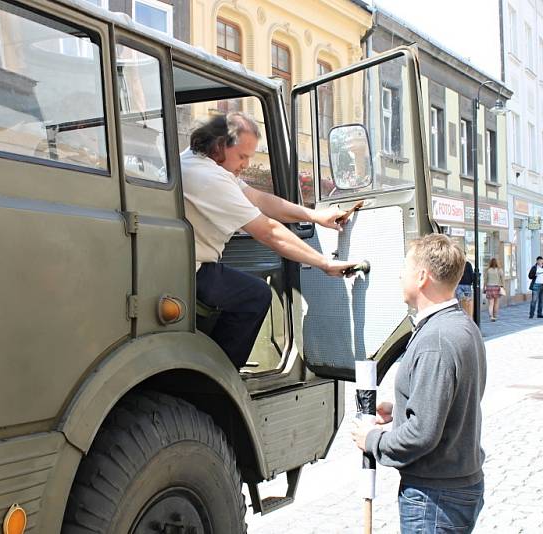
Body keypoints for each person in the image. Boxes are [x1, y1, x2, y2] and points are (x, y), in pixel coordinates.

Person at [181, 112, 357, 369]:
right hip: (193, 274)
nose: (246, 164)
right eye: (242, 156)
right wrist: (323, 263)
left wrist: (315, 216)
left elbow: (261, 200)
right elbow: (269, 232)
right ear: (220, 145)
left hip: (184, 267)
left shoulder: (198, 161)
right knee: (256, 294)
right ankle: (220, 373)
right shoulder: (209, 178)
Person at [351, 234, 486, 534]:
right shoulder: (460, 325)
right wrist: (400, 409)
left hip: (436, 498)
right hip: (453, 487)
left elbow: (422, 434)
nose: (400, 274)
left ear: (422, 276)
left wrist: (372, 440)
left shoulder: (435, 340)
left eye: (405, 267)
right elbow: (452, 401)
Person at [484, 257, 504, 322]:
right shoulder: (499, 270)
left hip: (489, 287)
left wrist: (484, 287)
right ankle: (495, 315)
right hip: (496, 287)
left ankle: (491, 316)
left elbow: (485, 280)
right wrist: (503, 286)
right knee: (496, 303)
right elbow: (502, 279)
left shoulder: (488, 270)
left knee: (491, 303)